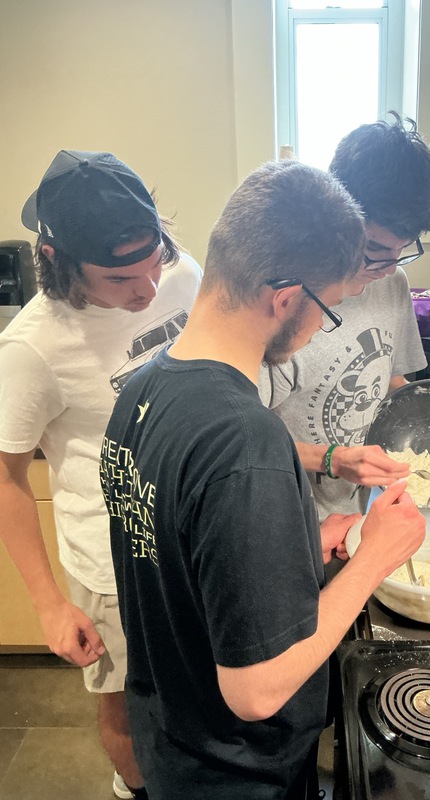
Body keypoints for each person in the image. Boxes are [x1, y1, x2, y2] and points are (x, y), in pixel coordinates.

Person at [101, 159, 426, 800]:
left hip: (170, 736)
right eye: (327, 310)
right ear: (284, 297)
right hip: (238, 774)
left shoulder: (140, 389)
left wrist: (298, 546)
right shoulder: (245, 439)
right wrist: (377, 558)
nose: (316, 330)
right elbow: (257, 690)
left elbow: (184, 561)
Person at [0, 150, 202, 800]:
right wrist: (48, 603)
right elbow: (5, 478)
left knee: (201, 690)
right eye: (121, 280)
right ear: (59, 263)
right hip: (115, 571)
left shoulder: (179, 273)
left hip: (200, 541)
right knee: (127, 708)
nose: (147, 289)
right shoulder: (33, 347)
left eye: (155, 262)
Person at [259, 115, 430, 521]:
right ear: (336, 214)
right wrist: (333, 459)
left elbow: (390, 381)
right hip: (292, 523)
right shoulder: (288, 299)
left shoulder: (393, 283)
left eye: (403, 248)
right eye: (374, 247)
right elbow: (242, 437)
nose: (389, 266)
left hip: (358, 516)